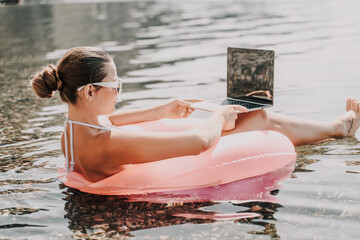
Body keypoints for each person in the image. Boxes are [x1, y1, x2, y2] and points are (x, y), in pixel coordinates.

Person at [30, 47, 360, 182]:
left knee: (252, 117)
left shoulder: (70, 132)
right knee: (259, 120)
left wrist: (164, 109)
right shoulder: (107, 144)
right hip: (168, 183)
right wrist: (220, 117)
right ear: (90, 92)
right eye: (116, 85)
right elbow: (200, 142)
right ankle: (339, 128)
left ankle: (335, 127)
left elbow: (109, 121)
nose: (119, 92)